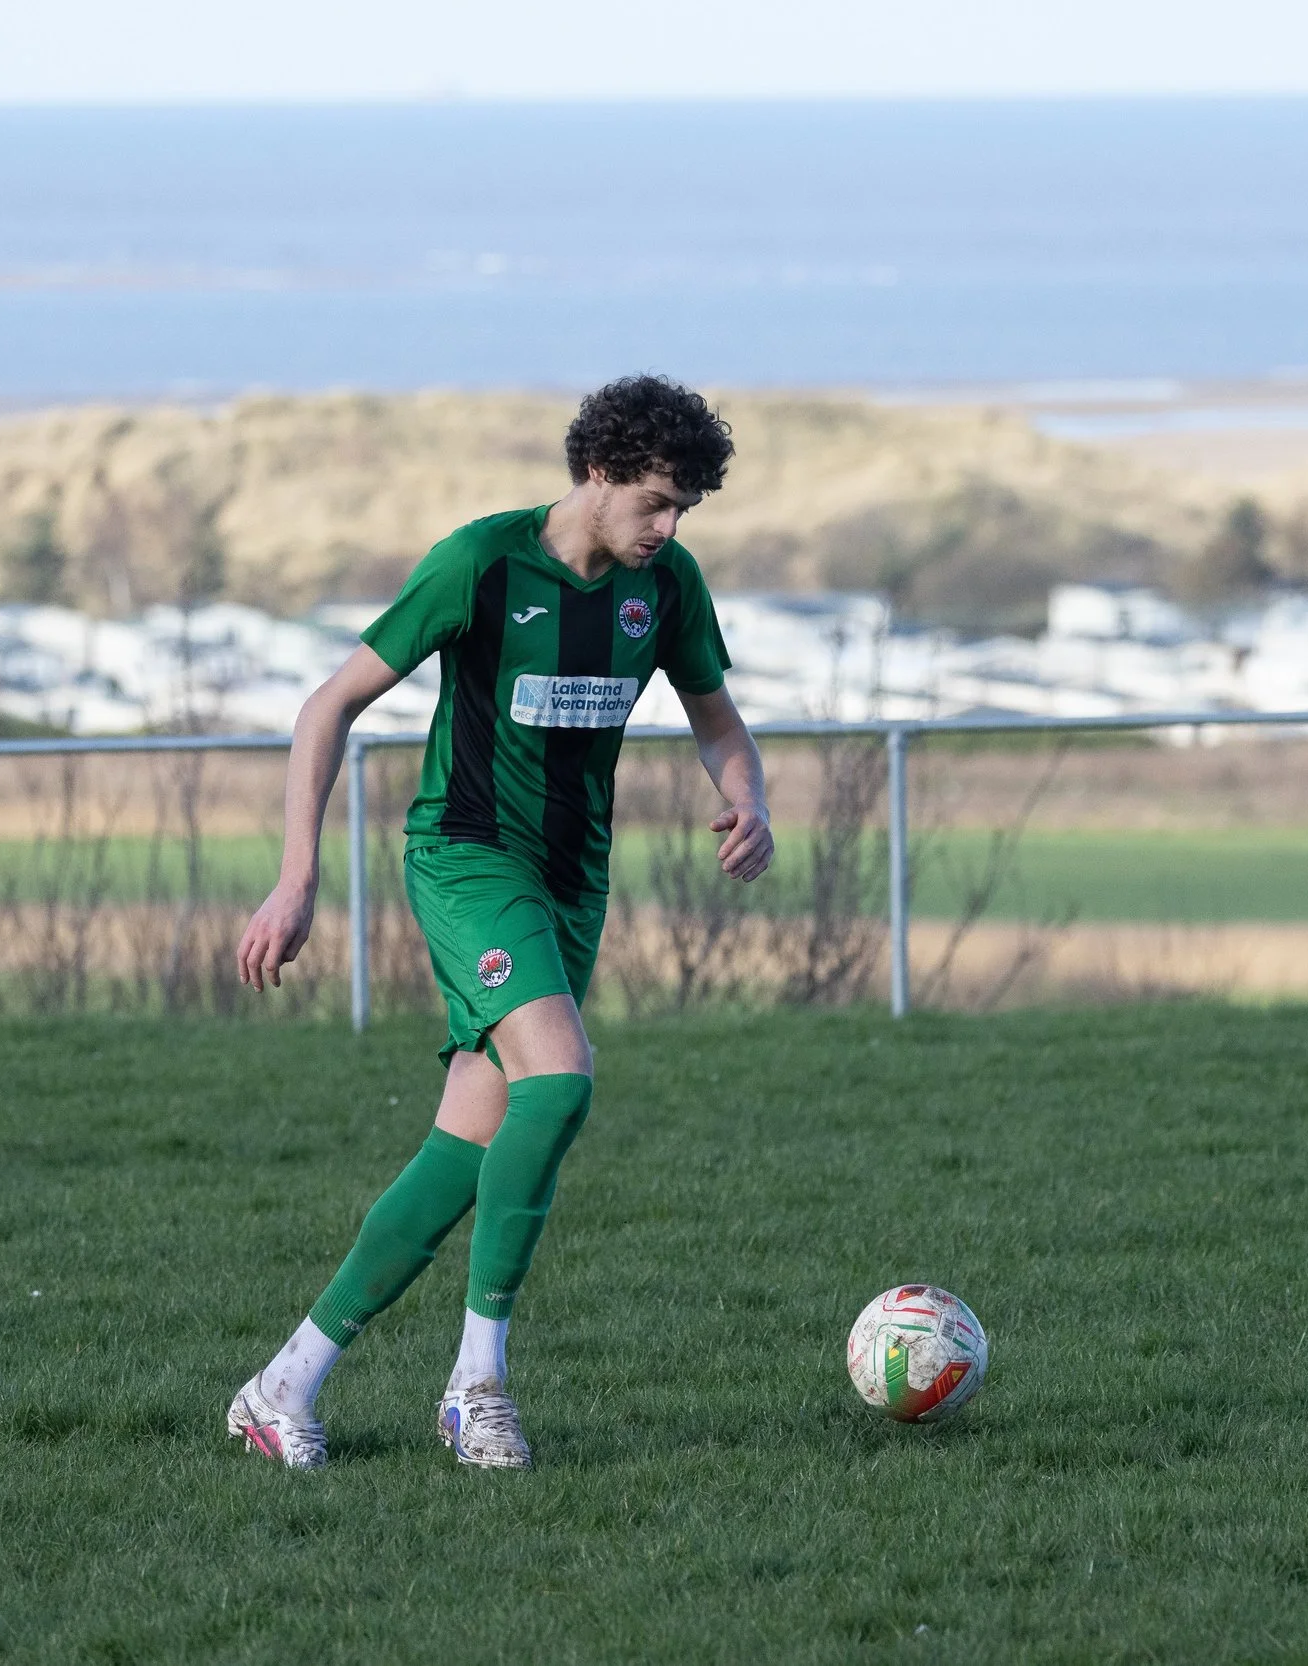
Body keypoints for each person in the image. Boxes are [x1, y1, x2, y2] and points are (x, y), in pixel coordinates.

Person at [229, 375, 772, 1470]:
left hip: (574, 882)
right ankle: (476, 1384)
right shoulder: (480, 562)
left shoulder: (664, 587)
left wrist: (748, 799)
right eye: (657, 503)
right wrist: (296, 879)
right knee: (561, 1079)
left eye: (684, 513)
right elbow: (327, 705)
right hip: (468, 859)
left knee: (458, 1154)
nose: (667, 530)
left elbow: (721, 724)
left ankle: (280, 1385)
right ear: (597, 472)